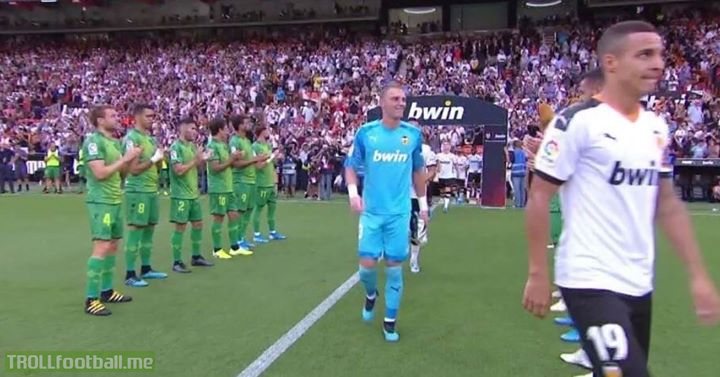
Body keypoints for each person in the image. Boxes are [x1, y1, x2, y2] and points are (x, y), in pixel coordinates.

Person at [523, 21, 720, 377]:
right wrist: (538, 272)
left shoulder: (655, 127)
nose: (658, 63)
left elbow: (668, 204)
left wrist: (698, 275)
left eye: (659, 54)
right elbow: (539, 194)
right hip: (589, 278)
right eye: (645, 54)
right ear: (611, 63)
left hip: (638, 280)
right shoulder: (577, 122)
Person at [345, 81, 428, 342]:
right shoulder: (366, 133)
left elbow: (418, 171)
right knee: (367, 267)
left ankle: (389, 322)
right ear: (382, 102)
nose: (401, 103)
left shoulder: (412, 135)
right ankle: (371, 295)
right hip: (371, 213)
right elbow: (350, 165)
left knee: (394, 268)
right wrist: (353, 194)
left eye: (403, 99)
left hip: (399, 214)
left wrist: (424, 206)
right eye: (395, 99)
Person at [82, 105, 142, 316]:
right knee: (101, 246)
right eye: (113, 116)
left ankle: (107, 291)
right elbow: (99, 173)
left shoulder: (114, 142)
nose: (118, 118)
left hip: (116, 200)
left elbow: (122, 174)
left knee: (113, 245)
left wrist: (131, 158)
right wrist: (125, 159)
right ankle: (91, 299)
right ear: (99, 120)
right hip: (101, 201)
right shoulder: (93, 142)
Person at [122, 104, 167, 288]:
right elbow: (133, 170)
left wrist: (160, 159)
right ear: (137, 117)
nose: (152, 119)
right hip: (137, 191)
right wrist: (153, 160)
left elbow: (152, 166)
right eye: (148, 116)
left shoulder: (151, 139)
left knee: (149, 229)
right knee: (136, 230)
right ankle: (130, 273)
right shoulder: (131, 138)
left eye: (153, 116)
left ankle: (146, 268)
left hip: (150, 190)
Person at [168, 118, 215, 273]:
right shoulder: (176, 147)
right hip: (181, 194)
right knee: (180, 227)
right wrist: (196, 159)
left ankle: (196, 256)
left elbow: (196, 168)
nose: (195, 131)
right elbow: (178, 170)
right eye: (193, 128)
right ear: (183, 129)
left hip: (193, 194)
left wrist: (203, 159)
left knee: (198, 224)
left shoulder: (192, 146)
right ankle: (176, 261)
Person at [205, 117, 246, 259]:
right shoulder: (212, 146)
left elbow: (230, 164)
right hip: (218, 188)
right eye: (226, 129)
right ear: (220, 130)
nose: (228, 131)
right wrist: (232, 159)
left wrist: (236, 157)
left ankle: (235, 247)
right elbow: (215, 167)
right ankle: (217, 249)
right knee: (219, 218)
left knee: (234, 215)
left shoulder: (224, 145)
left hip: (228, 187)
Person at [229, 115, 267, 250]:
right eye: (246, 122)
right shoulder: (234, 141)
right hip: (241, 181)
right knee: (240, 211)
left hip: (251, 180)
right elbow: (236, 163)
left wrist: (259, 159)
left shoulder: (247, 141)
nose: (249, 124)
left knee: (249, 210)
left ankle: (242, 237)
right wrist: (255, 160)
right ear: (239, 125)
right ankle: (236, 240)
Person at [407, 119, 436, 274]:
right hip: (401, 194)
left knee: (416, 231)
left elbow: (432, 169)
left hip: (418, 195)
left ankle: (414, 260)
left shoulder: (425, 150)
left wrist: (423, 179)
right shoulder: (398, 147)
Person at [251, 126, 287, 243]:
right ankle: (256, 234)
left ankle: (272, 232)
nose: (269, 133)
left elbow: (272, 163)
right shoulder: (255, 146)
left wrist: (277, 157)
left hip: (270, 182)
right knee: (258, 208)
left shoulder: (268, 145)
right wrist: (271, 157)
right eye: (267, 130)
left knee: (272, 208)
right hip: (261, 183)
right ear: (261, 132)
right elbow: (258, 166)